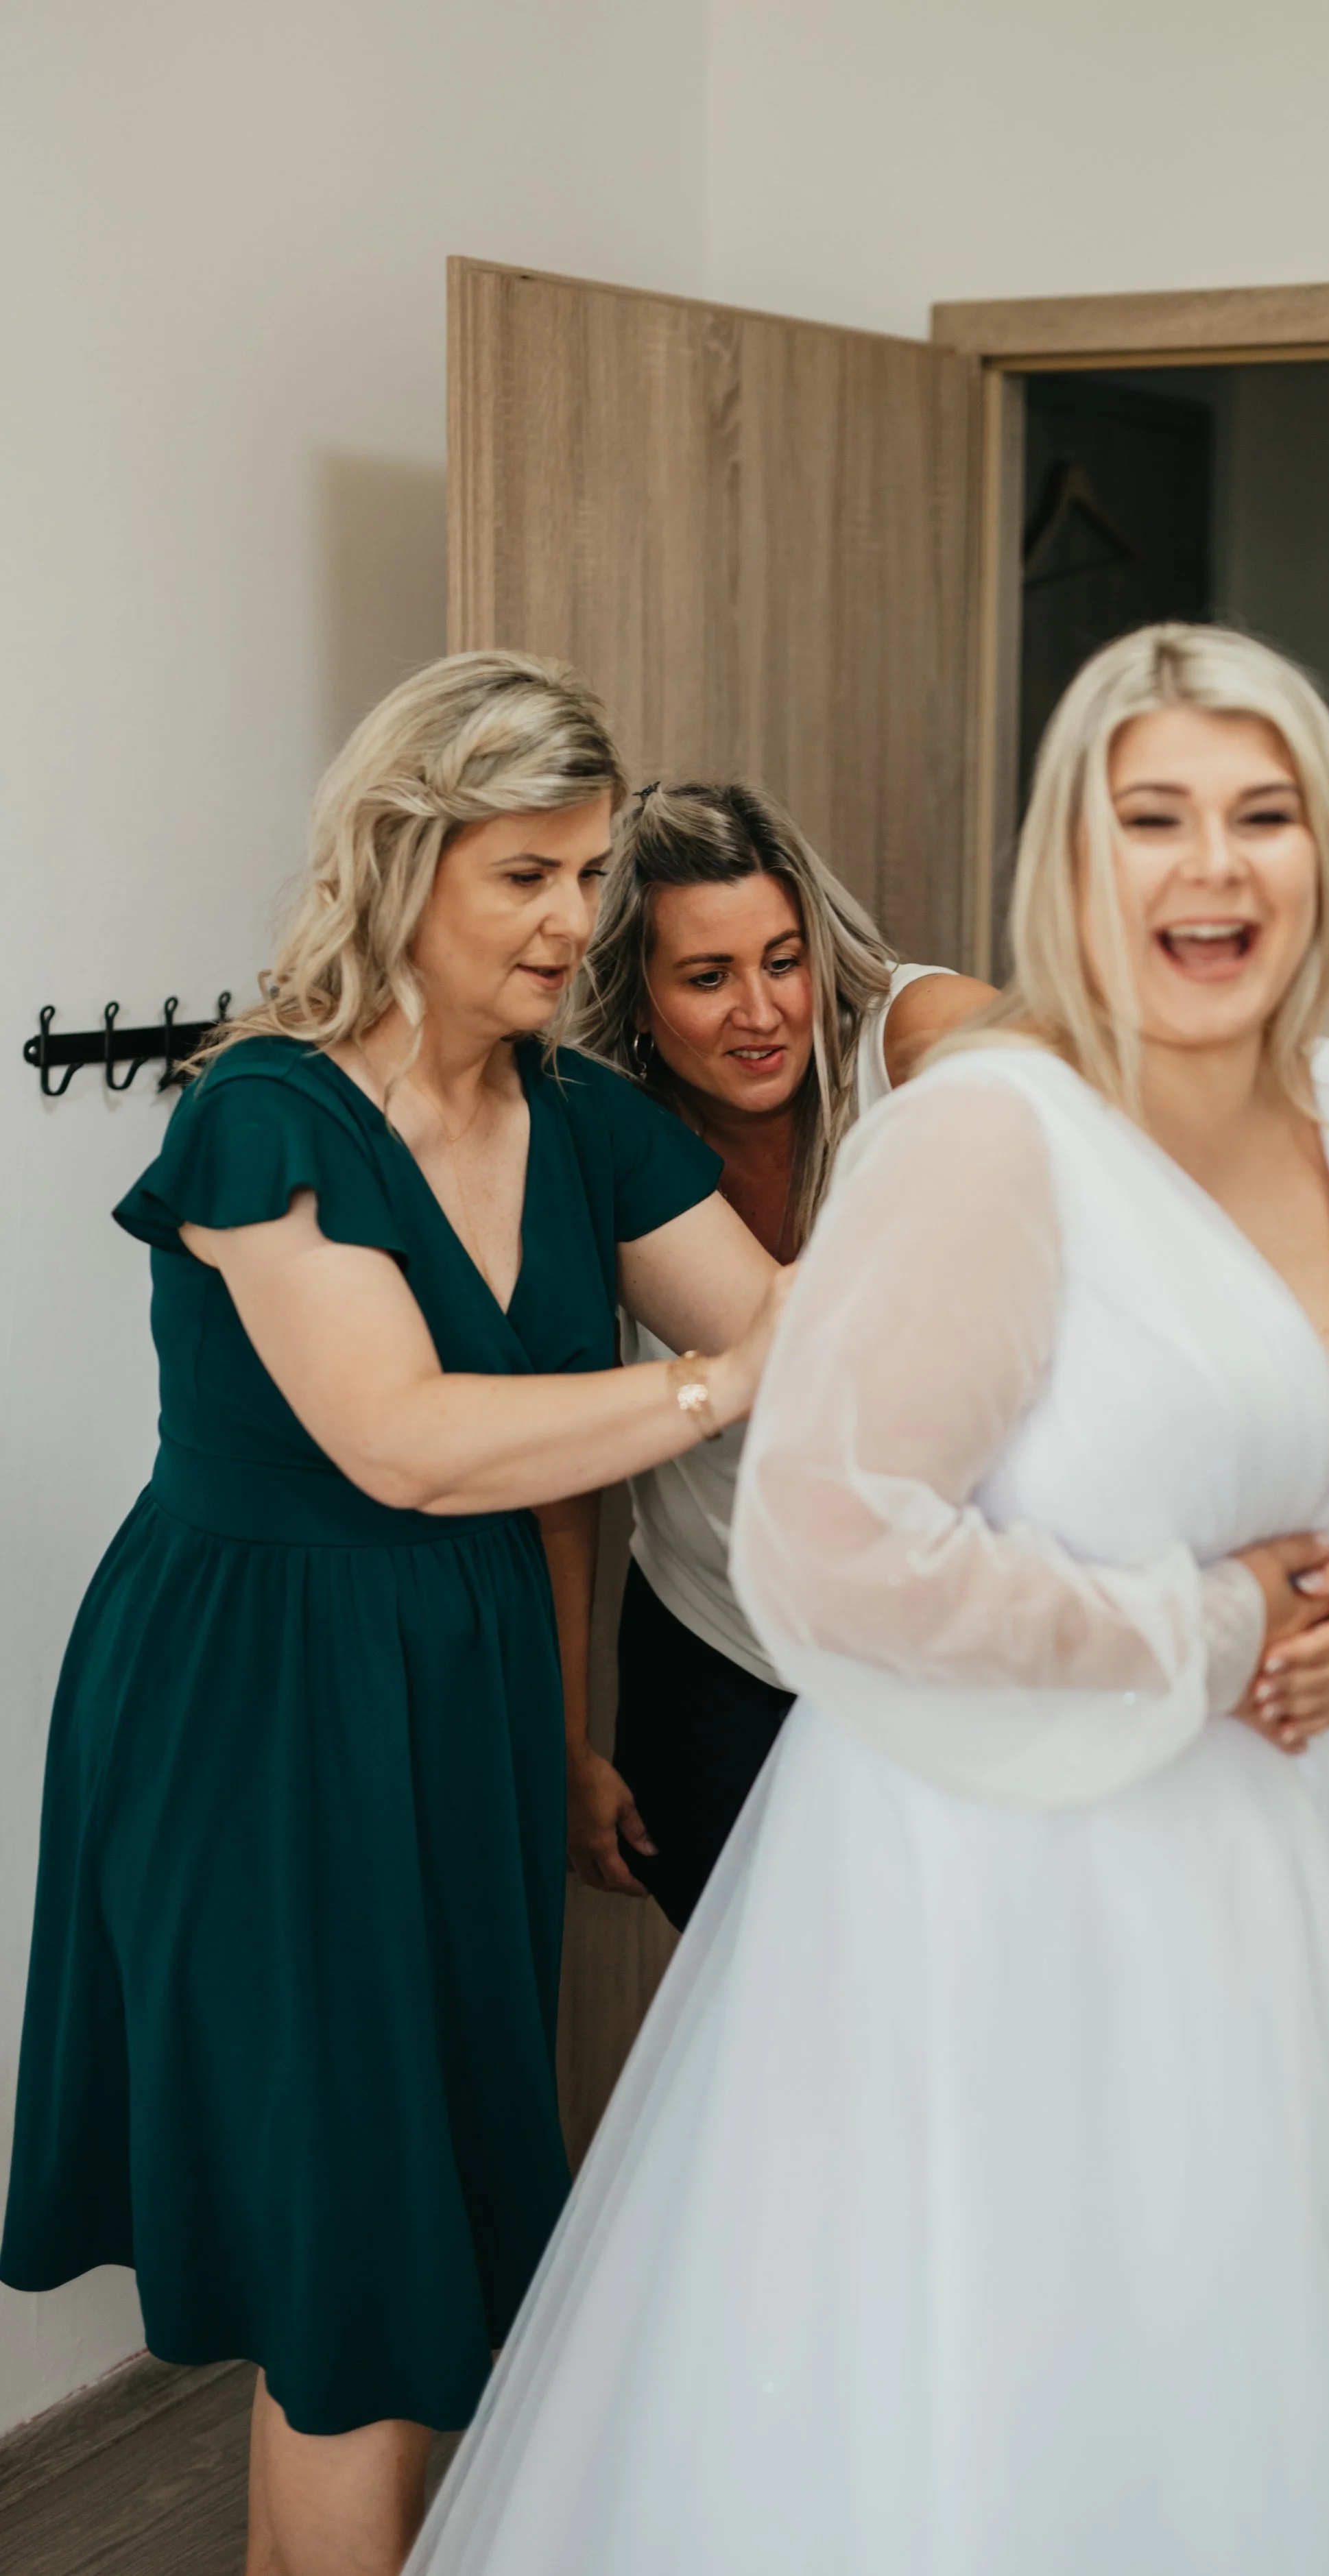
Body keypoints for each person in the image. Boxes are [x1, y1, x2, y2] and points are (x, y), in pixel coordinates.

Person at [407, 623, 1329, 2576]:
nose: (1209, 864)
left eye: (1261, 813)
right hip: (1002, 1856)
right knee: (1000, 2368)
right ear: (1072, 855)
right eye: (1150, 816)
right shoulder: (989, 1127)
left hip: (1309, 1870)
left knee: (1286, 2372)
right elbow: (822, 1537)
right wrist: (1210, 1632)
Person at [0, 653, 788, 2576]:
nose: (573, 923)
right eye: (525, 875)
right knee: (355, 2254)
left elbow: (800, 1334)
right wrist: (711, 1388)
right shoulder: (258, 1111)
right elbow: (406, 1442)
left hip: (463, 1692)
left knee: (399, 2228)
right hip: (254, 1704)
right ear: (400, 855)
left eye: (588, 875)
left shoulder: (583, 1119)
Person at [568, 781, 991, 1925]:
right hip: (719, 1650)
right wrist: (565, 1740)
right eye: (708, 978)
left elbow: (1089, 1096)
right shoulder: (596, 1140)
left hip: (937, 1647)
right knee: (748, 2008)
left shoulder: (913, 1040)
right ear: (638, 997)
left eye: (783, 962)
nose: (761, 1013)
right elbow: (568, 1474)